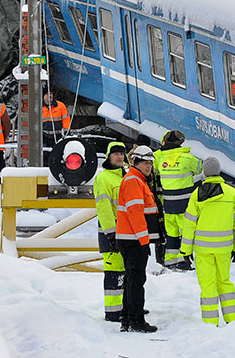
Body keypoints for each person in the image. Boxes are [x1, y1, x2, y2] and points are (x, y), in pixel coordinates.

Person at [180, 157, 235, 326]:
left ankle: (210, 322)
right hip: (224, 248)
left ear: (205, 173)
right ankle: (233, 320)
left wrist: (185, 251)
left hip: (203, 249)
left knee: (208, 284)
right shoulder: (232, 193)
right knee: (224, 281)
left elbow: (189, 225)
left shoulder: (197, 195)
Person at [116, 145, 161, 333]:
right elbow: (135, 213)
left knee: (132, 279)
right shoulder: (134, 181)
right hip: (133, 240)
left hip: (132, 239)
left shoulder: (137, 180)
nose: (148, 166)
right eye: (144, 162)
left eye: (150, 162)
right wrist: (144, 240)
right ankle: (136, 321)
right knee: (136, 280)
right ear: (136, 162)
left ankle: (128, 317)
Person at [153, 129, 203, 270]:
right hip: (185, 205)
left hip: (168, 206)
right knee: (188, 234)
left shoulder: (159, 158)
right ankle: (187, 260)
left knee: (172, 234)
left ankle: (171, 261)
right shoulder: (188, 158)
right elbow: (201, 169)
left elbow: (151, 165)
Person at [95, 140, 128, 322]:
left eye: (122, 153)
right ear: (108, 156)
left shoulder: (125, 176)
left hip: (126, 233)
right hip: (111, 234)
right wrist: (111, 233)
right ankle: (113, 312)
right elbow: (104, 208)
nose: (119, 156)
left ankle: (125, 306)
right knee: (114, 274)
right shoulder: (104, 178)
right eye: (116, 153)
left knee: (125, 272)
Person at [41, 91, 70, 165]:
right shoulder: (40, 107)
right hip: (44, 136)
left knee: (57, 156)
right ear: (43, 96)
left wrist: (67, 133)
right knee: (44, 156)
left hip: (57, 136)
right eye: (47, 94)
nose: (50, 95)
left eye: (51, 93)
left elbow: (66, 120)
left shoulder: (60, 106)